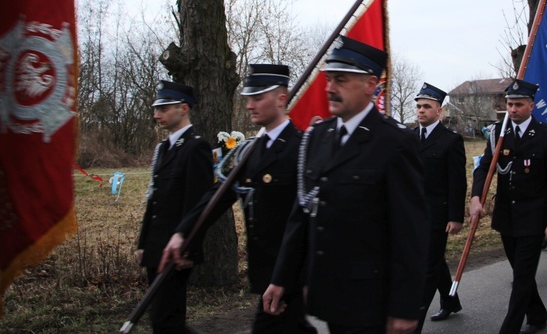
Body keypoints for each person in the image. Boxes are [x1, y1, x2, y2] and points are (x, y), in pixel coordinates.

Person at [263, 36, 429, 333]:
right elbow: (301, 215)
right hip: (328, 292)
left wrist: (404, 306)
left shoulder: (395, 142)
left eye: (340, 80)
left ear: (370, 85)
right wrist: (281, 278)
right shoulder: (317, 136)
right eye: (329, 79)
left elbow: (410, 233)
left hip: (370, 298)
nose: (329, 88)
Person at [158, 65, 316, 332]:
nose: (249, 106)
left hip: (291, 275)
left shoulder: (301, 149)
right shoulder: (253, 150)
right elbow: (219, 195)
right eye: (247, 99)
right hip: (266, 273)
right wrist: (183, 233)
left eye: (257, 98)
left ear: (281, 99)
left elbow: (309, 219)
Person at [471, 79, 547, 334]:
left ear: (531, 106)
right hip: (506, 216)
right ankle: (537, 315)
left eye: (518, 104)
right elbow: (484, 168)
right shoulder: (498, 134)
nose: (512, 109)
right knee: (521, 272)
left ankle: (509, 328)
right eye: (510, 104)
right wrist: (476, 197)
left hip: (534, 218)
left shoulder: (546, 135)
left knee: (521, 278)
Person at [136, 80, 214, 333]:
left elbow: (198, 204)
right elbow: (154, 198)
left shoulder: (196, 147)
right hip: (156, 245)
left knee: (167, 318)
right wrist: (143, 242)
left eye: (164, 108)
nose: (156, 115)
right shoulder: (163, 149)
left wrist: (188, 249)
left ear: (183, 108)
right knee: (161, 319)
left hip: (177, 248)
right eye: (156, 109)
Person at [413, 83, 466, 328]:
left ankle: (413, 322)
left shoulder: (450, 141)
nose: (421, 111)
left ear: (439, 111)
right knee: (433, 261)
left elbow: (457, 182)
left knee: (427, 268)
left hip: (437, 215)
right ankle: (450, 300)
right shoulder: (409, 138)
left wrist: (455, 217)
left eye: (426, 106)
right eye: (419, 106)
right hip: (412, 215)